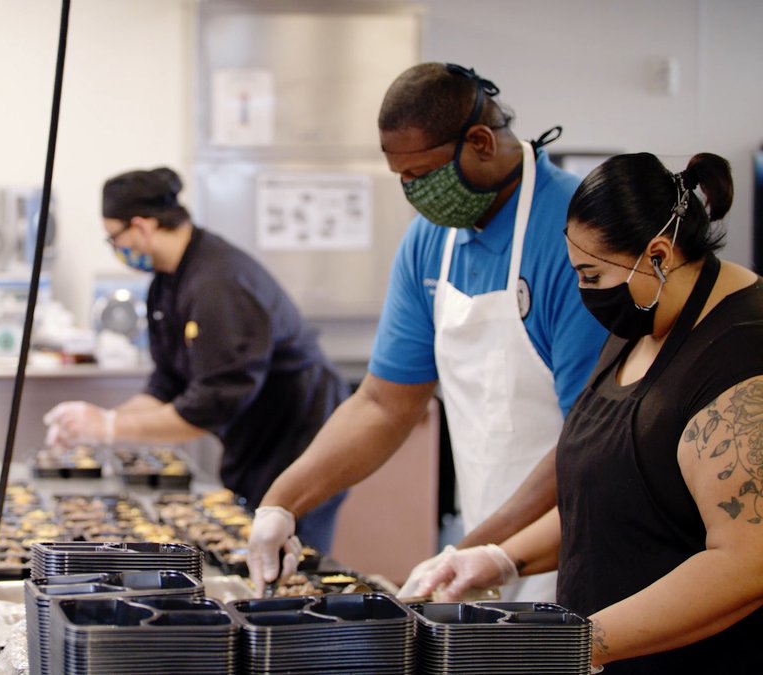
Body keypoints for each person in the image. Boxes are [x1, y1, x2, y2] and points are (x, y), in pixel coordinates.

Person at [246, 62, 608, 600]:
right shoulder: (430, 242)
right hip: (485, 534)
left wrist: (468, 554)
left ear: (481, 142)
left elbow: (590, 442)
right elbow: (383, 404)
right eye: (402, 178)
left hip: (578, 539)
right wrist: (282, 503)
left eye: (422, 175)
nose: (413, 192)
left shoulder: (578, 236)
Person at [408, 151, 763, 672]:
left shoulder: (742, 356)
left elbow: (747, 563)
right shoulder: (642, 317)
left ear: (659, 255)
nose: (585, 293)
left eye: (593, 275)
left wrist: (584, 642)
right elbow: (609, 494)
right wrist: (502, 559)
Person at [43, 167, 351, 553]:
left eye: (114, 238)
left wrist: (109, 428)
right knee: (251, 543)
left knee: (287, 558)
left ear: (141, 227)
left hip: (298, 440)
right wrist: (97, 423)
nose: (115, 248)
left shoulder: (218, 284)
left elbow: (211, 404)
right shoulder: (167, 283)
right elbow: (167, 384)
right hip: (253, 440)